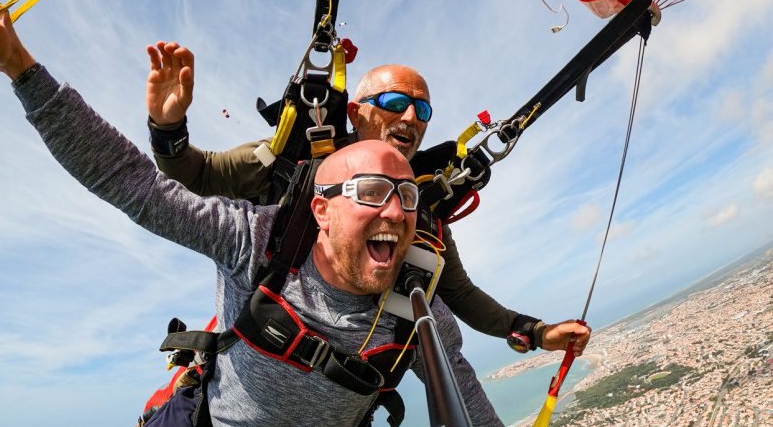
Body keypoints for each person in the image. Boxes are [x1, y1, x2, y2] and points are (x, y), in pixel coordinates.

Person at [0, 5, 593, 427]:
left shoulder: (419, 284)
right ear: (322, 206)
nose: (394, 207)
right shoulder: (260, 226)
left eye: (406, 198)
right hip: (216, 418)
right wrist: (24, 69)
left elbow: (452, 369)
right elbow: (141, 183)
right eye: (371, 190)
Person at [145, 41, 593, 357]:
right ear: (357, 113)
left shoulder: (413, 206)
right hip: (257, 341)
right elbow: (197, 174)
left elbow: (459, 293)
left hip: (334, 375)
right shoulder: (291, 162)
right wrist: (167, 127)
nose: (411, 117)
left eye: (423, 110)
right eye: (396, 102)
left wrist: (533, 331)